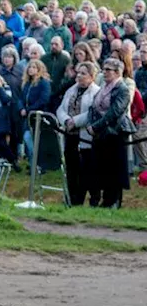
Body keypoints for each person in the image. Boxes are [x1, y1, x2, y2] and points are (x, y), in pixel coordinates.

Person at [85, 57, 134, 208]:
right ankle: (103, 199)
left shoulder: (123, 89)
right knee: (101, 168)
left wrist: (96, 126)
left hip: (115, 133)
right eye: (103, 69)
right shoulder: (103, 87)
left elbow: (114, 112)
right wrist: (90, 124)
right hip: (100, 134)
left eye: (108, 70)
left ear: (118, 72)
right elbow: (93, 108)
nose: (104, 72)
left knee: (115, 169)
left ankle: (113, 200)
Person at [57, 61, 99, 206]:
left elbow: (92, 113)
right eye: (78, 73)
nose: (79, 76)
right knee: (71, 168)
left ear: (92, 76)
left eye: (83, 73)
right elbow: (61, 108)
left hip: (85, 137)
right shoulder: (71, 90)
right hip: (70, 135)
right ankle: (71, 198)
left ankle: (85, 199)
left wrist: (74, 121)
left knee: (86, 170)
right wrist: (66, 120)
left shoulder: (96, 92)